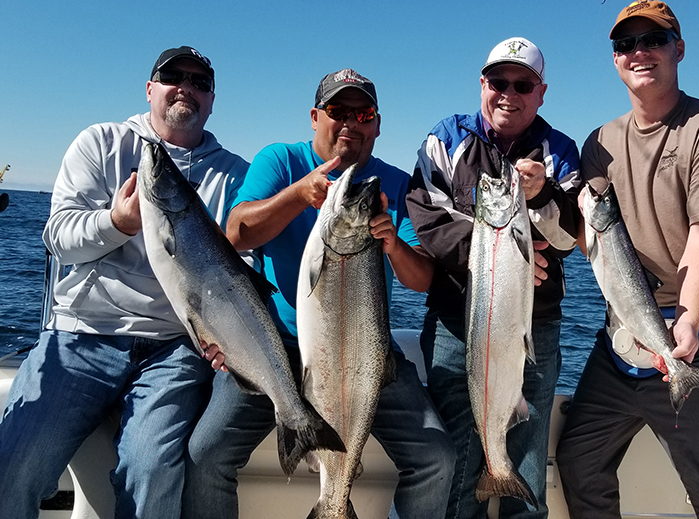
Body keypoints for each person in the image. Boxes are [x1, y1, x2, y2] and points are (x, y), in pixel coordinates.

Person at [183, 68, 456, 519]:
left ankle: (335, 500)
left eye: (363, 112)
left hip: (366, 354)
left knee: (437, 459)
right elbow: (236, 233)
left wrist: (394, 244)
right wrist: (296, 196)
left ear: (377, 123)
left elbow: (424, 279)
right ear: (315, 116)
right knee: (206, 453)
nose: (350, 121)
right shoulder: (280, 161)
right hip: (274, 348)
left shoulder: (395, 182)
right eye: (338, 110)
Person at [0, 47, 250, 519]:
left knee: (152, 470)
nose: (186, 86)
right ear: (150, 88)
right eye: (173, 75)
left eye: (200, 81)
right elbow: (58, 237)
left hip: (174, 349)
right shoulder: (100, 142)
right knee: (12, 466)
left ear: (212, 100)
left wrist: (225, 338)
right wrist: (117, 221)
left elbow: (242, 267)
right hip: (80, 337)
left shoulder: (235, 174)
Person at [555, 2, 699, 518]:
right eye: (626, 44)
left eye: (654, 40)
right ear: (615, 60)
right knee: (578, 461)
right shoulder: (598, 144)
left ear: (678, 49)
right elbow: (594, 243)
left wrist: (686, 324)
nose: (639, 52)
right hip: (621, 337)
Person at [406, 38, 582, 518]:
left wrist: (542, 192)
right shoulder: (445, 138)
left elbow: (571, 238)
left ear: (541, 92)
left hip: (534, 327)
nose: (509, 93)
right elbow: (427, 217)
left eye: (522, 84)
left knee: (526, 461)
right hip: (452, 323)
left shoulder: (560, 152)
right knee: (458, 461)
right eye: (498, 81)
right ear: (482, 84)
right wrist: (504, 257)